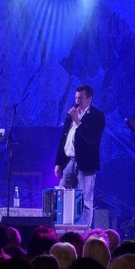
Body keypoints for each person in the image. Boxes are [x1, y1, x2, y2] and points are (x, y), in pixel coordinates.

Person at [55, 85, 106, 227]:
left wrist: (78, 121)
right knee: (62, 196)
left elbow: (91, 138)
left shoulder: (97, 116)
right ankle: (62, 228)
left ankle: (83, 231)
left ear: (89, 99)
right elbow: (64, 139)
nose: (77, 101)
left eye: (81, 98)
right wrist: (58, 162)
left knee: (85, 200)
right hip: (68, 161)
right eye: (76, 97)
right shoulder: (71, 114)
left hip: (86, 163)